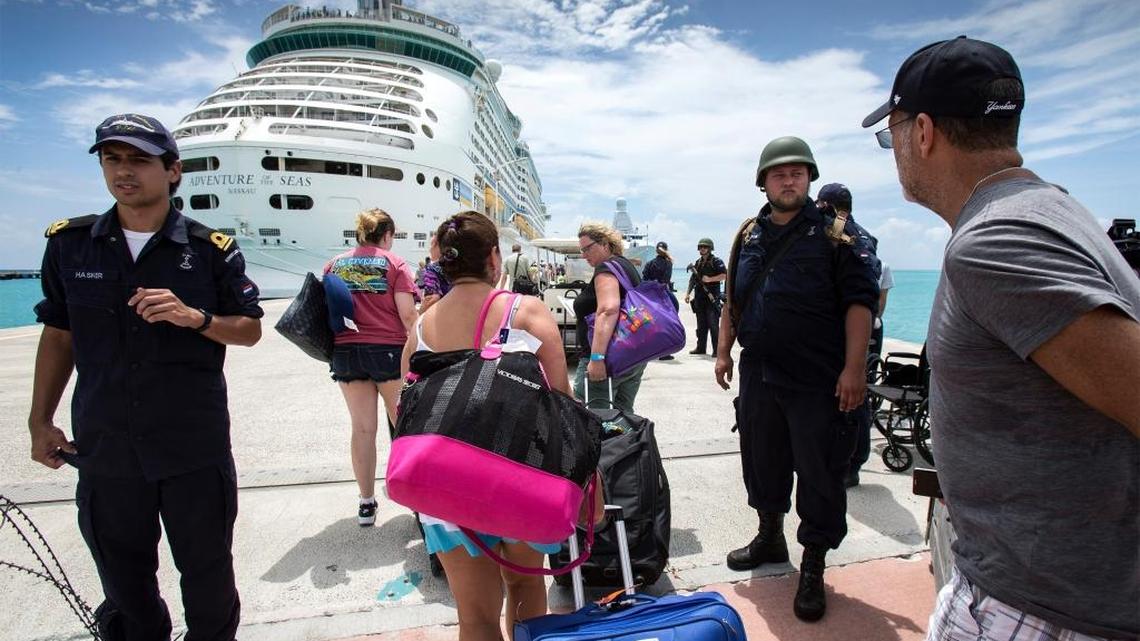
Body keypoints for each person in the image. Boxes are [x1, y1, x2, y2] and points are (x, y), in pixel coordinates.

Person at [863, 36, 1139, 640]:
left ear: (924, 132)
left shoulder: (998, 240)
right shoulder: (1052, 211)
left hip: (1039, 608)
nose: (896, 151)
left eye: (893, 135)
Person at [27, 113, 263, 640]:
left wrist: (195, 318)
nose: (123, 171)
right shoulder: (71, 244)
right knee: (126, 588)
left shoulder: (208, 250)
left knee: (208, 583)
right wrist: (39, 420)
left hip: (192, 452)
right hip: (107, 447)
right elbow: (58, 334)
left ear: (173, 171)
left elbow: (249, 330)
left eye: (138, 160)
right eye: (112, 159)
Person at [715, 136, 880, 622]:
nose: (788, 181)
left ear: (808, 178)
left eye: (797, 173)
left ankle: (813, 563)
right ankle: (770, 535)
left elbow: (859, 305)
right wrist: (723, 352)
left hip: (817, 380)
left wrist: (854, 369)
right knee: (761, 458)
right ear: (763, 181)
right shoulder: (748, 235)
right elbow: (734, 300)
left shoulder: (836, 235)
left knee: (819, 470)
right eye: (778, 174)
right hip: (759, 374)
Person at [401, 211, 574, 641]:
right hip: (520, 481)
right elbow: (563, 404)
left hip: (448, 488)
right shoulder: (526, 311)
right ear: (494, 258)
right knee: (525, 585)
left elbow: (406, 412)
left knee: (475, 617)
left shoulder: (422, 326)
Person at [324, 209, 419, 526]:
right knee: (404, 426)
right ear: (388, 235)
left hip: (346, 352)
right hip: (388, 353)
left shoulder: (334, 264)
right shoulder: (395, 264)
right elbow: (407, 315)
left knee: (362, 428)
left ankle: (366, 503)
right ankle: (418, 499)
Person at [815, 182, 890, 488]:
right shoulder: (864, 238)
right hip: (864, 332)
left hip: (843, 334)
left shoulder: (843, 235)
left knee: (849, 399)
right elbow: (877, 303)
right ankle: (849, 460)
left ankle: (848, 463)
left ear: (828, 206)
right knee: (854, 397)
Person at [573, 221, 647, 413]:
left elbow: (608, 309)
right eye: (581, 250)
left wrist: (597, 358)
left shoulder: (606, 268)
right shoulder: (624, 266)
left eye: (588, 248)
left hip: (607, 361)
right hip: (631, 357)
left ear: (605, 244)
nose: (584, 255)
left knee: (593, 422)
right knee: (623, 419)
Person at [683, 238, 726, 355]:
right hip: (699, 298)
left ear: (710, 248)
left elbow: (724, 275)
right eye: (701, 247)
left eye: (705, 247)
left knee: (713, 325)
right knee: (701, 325)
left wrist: (710, 279)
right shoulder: (698, 263)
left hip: (712, 298)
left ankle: (717, 351)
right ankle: (701, 348)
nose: (702, 249)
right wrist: (687, 293)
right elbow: (693, 279)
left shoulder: (716, 261)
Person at [642, 241, 677, 360]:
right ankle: (664, 353)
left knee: (650, 324)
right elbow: (665, 280)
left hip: (650, 295)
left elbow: (644, 280)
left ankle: (649, 350)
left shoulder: (649, 263)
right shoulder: (668, 263)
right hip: (662, 294)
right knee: (667, 322)